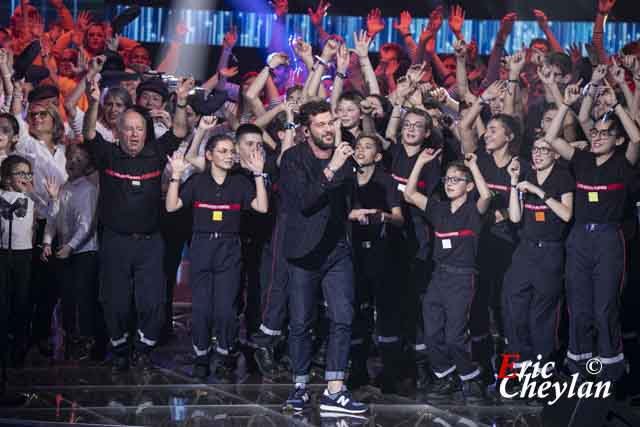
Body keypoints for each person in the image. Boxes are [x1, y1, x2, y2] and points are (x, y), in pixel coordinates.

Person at [82, 69, 190, 373]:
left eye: (138, 129)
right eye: (127, 128)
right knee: (114, 301)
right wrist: (93, 103)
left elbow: (179, 132)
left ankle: (143, 347)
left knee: (152, 300)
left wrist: (180, 102)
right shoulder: (108, 155)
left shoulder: (156, 155)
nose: (133, 134)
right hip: (115, 240)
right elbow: (89, 135)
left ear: (146, 131)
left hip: (150, 242)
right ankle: (118, 347)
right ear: (117, 130)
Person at [545, 83, 640, 382]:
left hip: (609, 239)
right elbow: (551, 138)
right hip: (579, 239)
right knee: (579, 306)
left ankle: (611, 371)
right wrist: (565, 105)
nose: (597, 138)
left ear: (618, 139)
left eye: (605, 133)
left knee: (604, 307)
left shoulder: (623, 164)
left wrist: (616, 107)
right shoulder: (582, 160)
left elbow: (637, 137)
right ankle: (579, 368)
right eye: (594, 133)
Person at [279, 100, 367, 414]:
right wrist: (331, 169)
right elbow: (304, 202)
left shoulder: (345, 157)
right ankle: (300, 385)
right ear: (306, 130)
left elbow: (349, 199)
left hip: (336, 251)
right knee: (302, 322)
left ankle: (334, 388)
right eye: (321, 124)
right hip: (303, 253)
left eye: (331, 122)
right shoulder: (293, 159)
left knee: (343, 317)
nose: (329, 129)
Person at [166, 134, 268, 383]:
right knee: (201, 310)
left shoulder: (241, 183)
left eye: (231, 151)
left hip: (229, 248)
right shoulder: (197, 182)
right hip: (201, 246)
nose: (229, 155)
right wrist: (176, 177)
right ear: (209, 155)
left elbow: (262, 207)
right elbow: (171, 206)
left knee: (225, 309)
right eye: (223, 151)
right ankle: (201, 357)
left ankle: (225, 356)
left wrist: (258, 175)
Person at [404, 151, 492, 402]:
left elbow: (486, 195)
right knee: (431, 335)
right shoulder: (438, 209)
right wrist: (420, 162)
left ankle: (470, 376)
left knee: (455, 335)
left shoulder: (474, 211)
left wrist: (473, 166)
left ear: (468, 185)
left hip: (462, 279)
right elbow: (409, 195)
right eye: (448, 179)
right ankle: (446, 375)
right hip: (438, 278)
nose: (450, 183)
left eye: (457, 179)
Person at [502, 139, 574, 383]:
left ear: (555, 154)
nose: (538, 154)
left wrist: (539, 192)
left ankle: (543, 374)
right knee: (514, 308)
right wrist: (513, 184)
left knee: (541, 316)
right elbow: (514, 217)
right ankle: (518, 370)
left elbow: (566, 214)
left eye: (544, 149)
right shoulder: (526, 175)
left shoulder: (562, 177)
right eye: (535, 149)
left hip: (550, 251)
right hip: (525, 251)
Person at [348, 133, 404, 392]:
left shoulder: (386, 181)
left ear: (378, 156)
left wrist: (381, 216)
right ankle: (357, 369)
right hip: (353, 254)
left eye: (367, 147)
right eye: (358, 146)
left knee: (386, 313)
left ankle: (390, 372)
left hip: (382, 254)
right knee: (357, 312)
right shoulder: (346, 180)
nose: (360, 150)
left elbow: (399, 218)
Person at [42, 144, 99, 361]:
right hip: (66, 250)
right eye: (71, 158)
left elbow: (87, 225)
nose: (73, 162)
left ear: (87, 165)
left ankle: (85, 339)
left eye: (79, 159)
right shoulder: (65, 187)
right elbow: (53, 219)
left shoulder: (88, 189)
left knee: (82, 298)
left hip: (84, 252)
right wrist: (48, 241)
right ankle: (69, 337)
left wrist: (71, 246)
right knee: (66, 297)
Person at [0, 155, 37, 367]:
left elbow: (51, 212)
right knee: (4, 301)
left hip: (24, 255)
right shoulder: (2, 195)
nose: (25, 177)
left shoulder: (32, 199)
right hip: (3, 253)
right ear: (7, 179)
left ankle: (20, 346)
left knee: (22, 300)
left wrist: (41, 195)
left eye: (27, 173)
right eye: (20, 173)